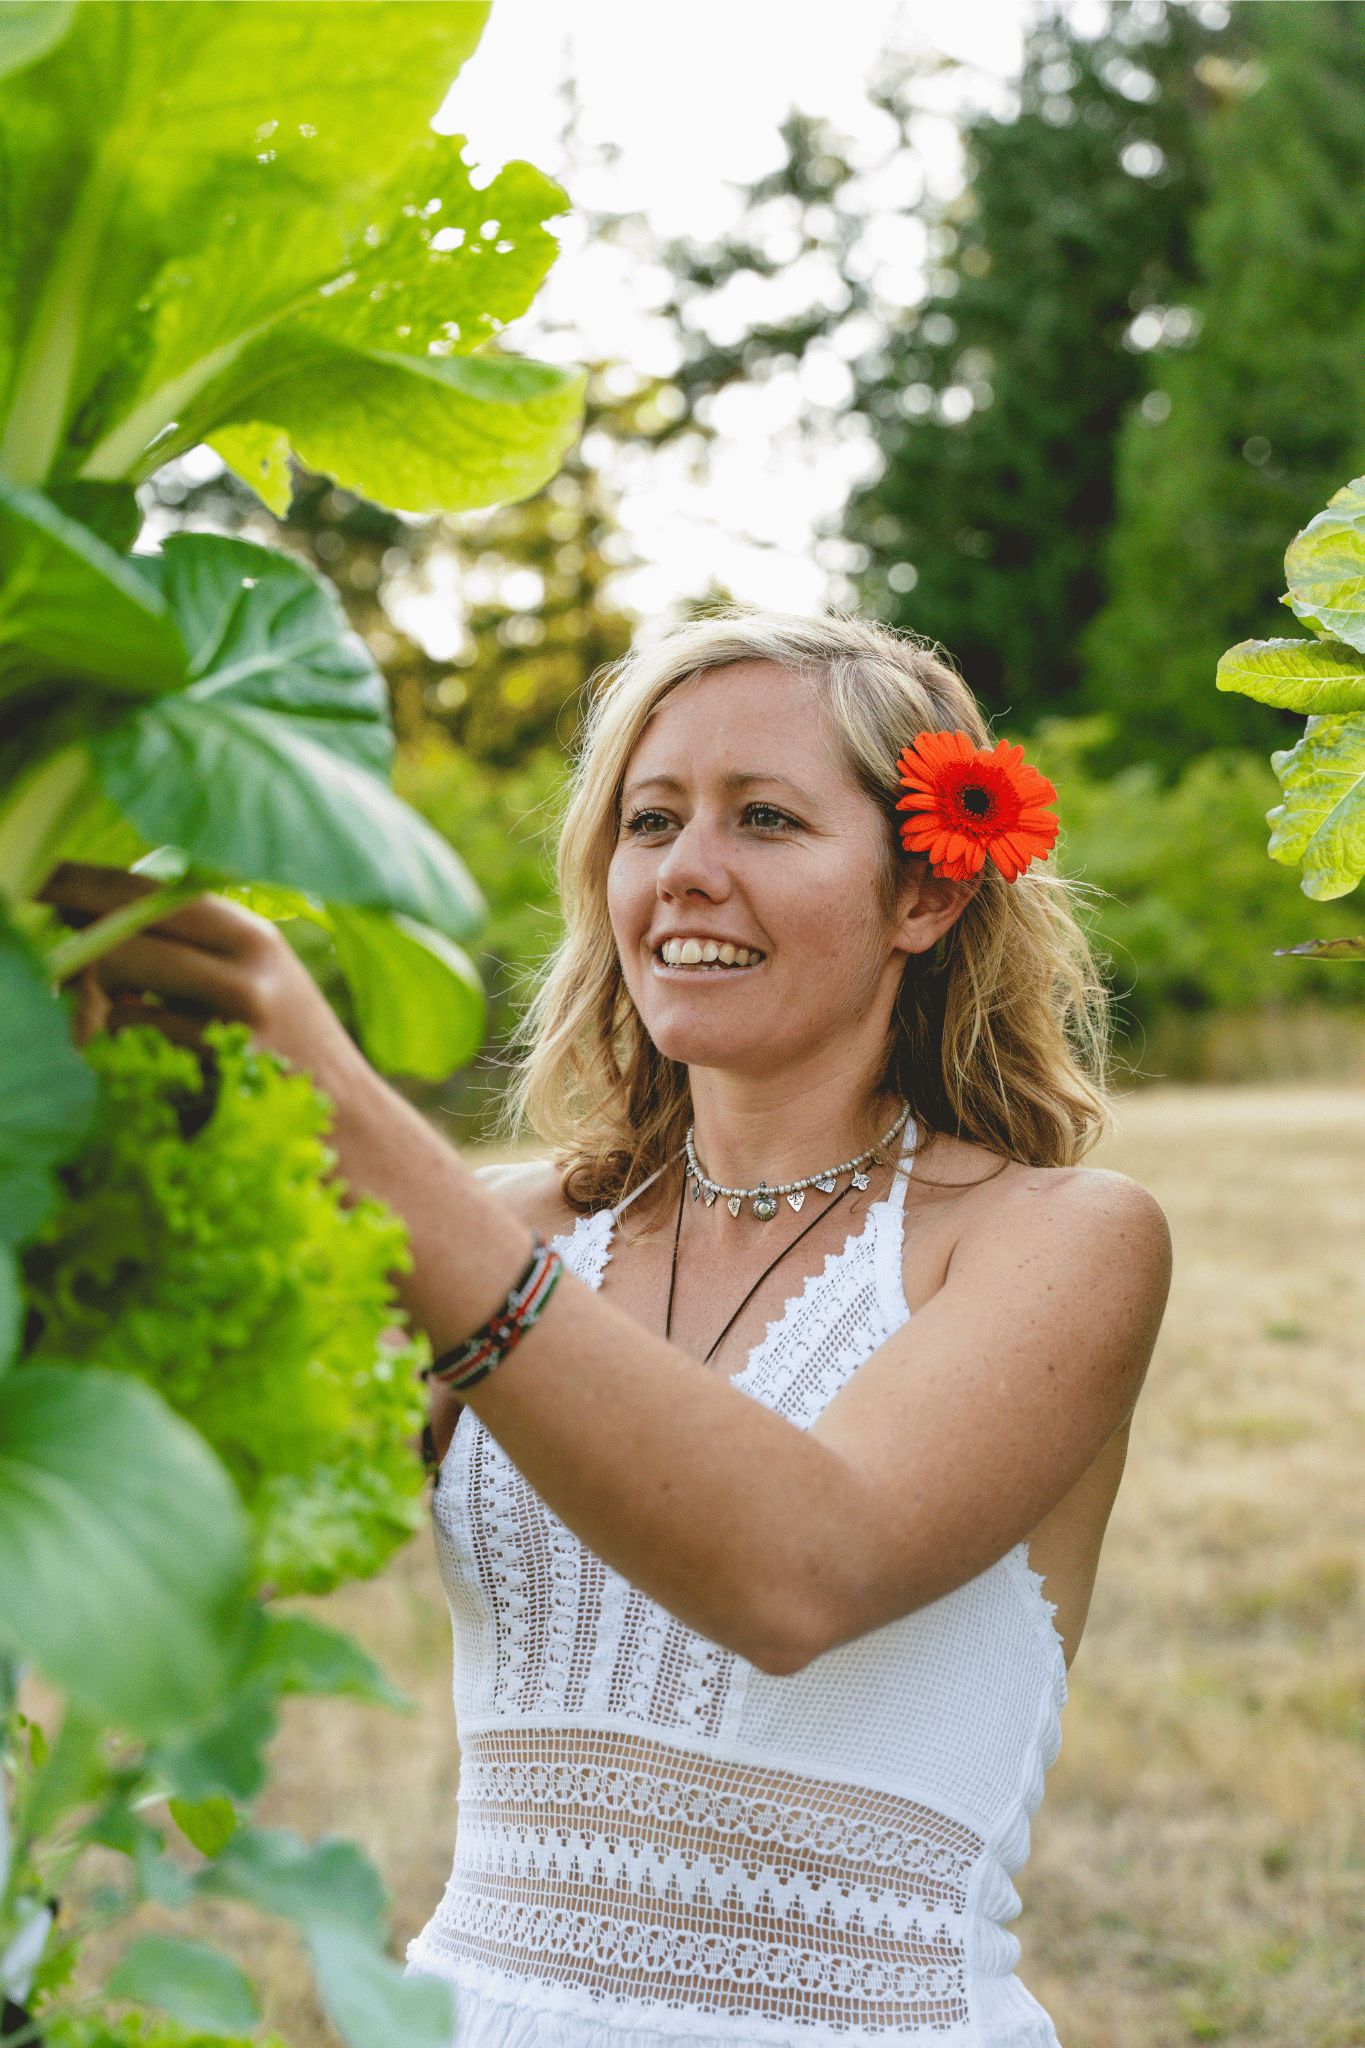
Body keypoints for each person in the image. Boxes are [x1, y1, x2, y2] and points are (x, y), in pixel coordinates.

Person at [56, 612, 1170, 2048]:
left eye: (764, 818)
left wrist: (371, 1142)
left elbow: (800, 1575)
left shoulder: (1060, 1238)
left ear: (925, 899)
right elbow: (189, 1536)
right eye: (650, 820)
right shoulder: (513, 1229)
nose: (686, 870)